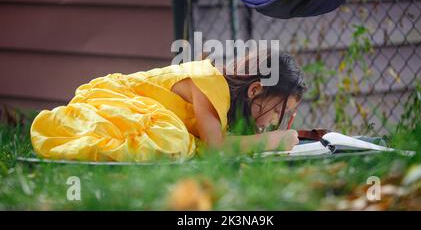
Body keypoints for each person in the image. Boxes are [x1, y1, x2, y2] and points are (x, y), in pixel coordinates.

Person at [30, 49, 306, 162]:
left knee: (177, 139)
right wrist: (273, 140)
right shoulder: (211, 83)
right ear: (255, 90)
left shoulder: (223, 105)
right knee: (173, 138)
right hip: (113, 100)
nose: (275, 121)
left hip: (139, 110)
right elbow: (215, 149)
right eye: (280, 110)